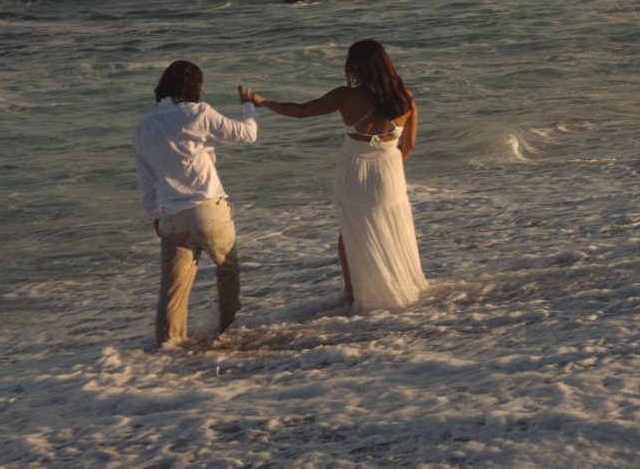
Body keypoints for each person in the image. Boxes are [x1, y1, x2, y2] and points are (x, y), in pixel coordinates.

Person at [242, 39, 428, 312]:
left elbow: (301, 112)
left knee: (350, 231)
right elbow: (408, 146)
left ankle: (352, 295)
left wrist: (263, 102)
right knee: (391, 227)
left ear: (356, 67)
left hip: (354, 170)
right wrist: (387, 169)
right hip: (390, 172)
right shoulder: (406, 98)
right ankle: (397, 290)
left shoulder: (345, 96)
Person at [134, 60, 258, 346]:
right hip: (207, 210)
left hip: (171, 216)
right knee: (227, 270)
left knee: (174, 290)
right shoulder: (199, 113)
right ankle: (228, 332)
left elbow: (146, 179)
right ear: (195, 87)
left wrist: (155, 215)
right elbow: (247, 134)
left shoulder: (143, 126)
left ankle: (169, 346)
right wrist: (249, 106)